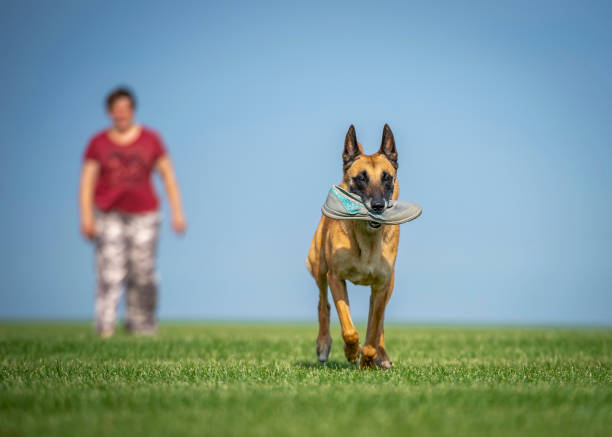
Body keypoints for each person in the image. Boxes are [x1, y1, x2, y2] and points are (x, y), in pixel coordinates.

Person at [79, 87, 186, 338]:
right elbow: (87, 182)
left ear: (133, 110)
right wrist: (86, 216)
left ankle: (142, 324)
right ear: (109, 112)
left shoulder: (151, 139)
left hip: (145, 213)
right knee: (110, 270)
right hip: (108, 213)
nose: (121, 114)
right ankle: (105, 326)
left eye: (126, 109)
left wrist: (177, 212)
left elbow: (168, 176)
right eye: (116, 109)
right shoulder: (98, 143)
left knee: (143, 270)